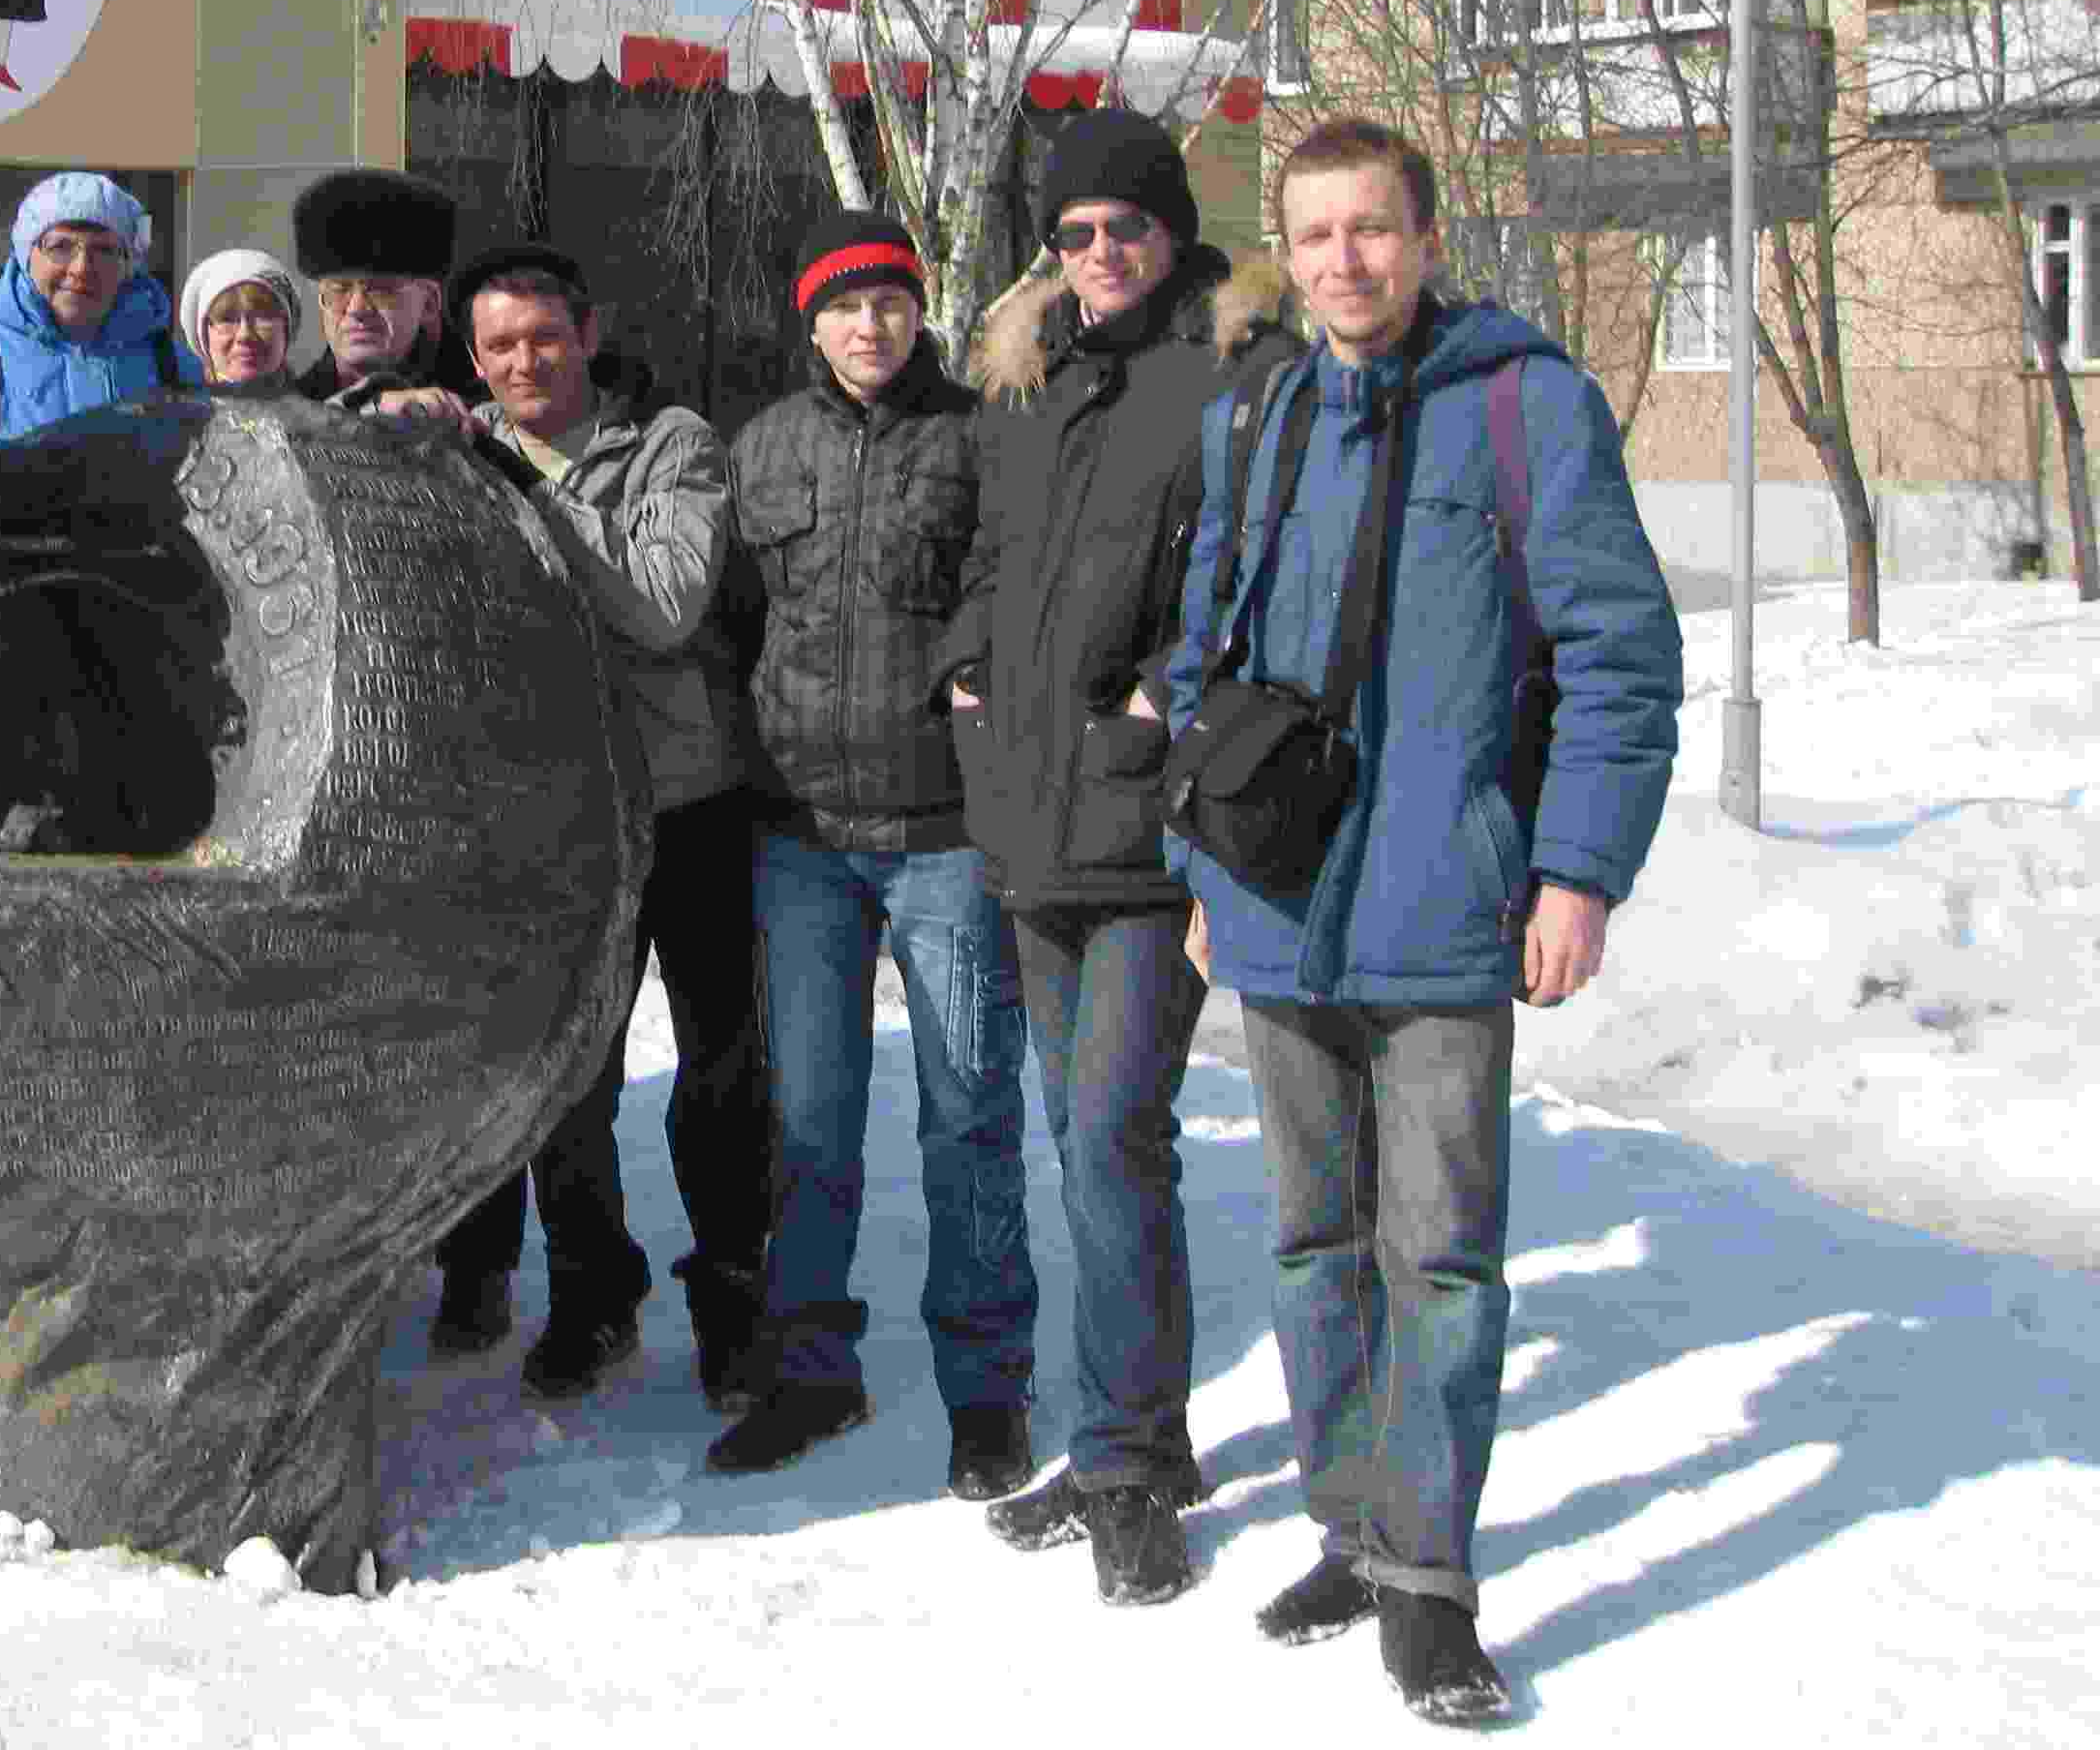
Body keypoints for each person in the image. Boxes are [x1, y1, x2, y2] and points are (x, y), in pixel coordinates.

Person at [1168, 118, 1677, 1725]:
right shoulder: (1252, 411)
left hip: (1447, 910)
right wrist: (1202, 876)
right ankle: (1348, 1526)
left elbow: (1618, 657)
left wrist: (1576, 872)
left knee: (1439, 1262)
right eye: (1312, 236)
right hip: (1273, 915)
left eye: (1369, 230)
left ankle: (1430, 1579)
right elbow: (1201, 661)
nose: (1341, 263)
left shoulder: (1525, 408)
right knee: (1312, 1247)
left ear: (1426, 234)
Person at [941, 104, 1293, 1606]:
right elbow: (984, 556)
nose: (1099, 255)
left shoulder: (1230, 371)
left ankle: (1132, 1464)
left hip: (1148, 830)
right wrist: (963, 657)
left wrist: (1169, 696)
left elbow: (1270, 571)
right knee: (1086, 1151)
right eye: (1075, 234)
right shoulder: (1027, 377)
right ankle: (1126, 1432)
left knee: (1112, 1143)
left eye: (1126, 228)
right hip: (1027, 822)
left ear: (1173, 228)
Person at [713, 213, 1035, 1488]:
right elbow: (732, 619)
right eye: (845, 306)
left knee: (968, 1114)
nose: (870, 326)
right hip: (800, 833)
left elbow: (1009, 595)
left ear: (919, 312)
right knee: (810, 1119)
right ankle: (808, 1372)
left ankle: (987, 1388)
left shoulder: (977, 441)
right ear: (811, 321)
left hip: (943, 833)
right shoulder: (766, 444)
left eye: (891, 302)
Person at [435, 241, 770, 1406]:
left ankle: (733, 1297)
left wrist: (528, 496)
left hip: (690, 801)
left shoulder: (670, 442)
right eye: (500, 345)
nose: (526, 360)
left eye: (544, 336)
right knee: (572, 1079)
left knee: (720, 1072)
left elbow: (666, 607)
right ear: (474, 359)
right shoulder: (461, 448)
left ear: (585, 333)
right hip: (563, 817)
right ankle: (592, 1293)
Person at [0, 172, 182, 437]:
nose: (81, 269)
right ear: (25, 256)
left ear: (128, 265)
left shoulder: (172, 365)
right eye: (60, 246)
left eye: (103, 250)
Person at [288, 168, 470, 426]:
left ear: (429, 302)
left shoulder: (482, 410)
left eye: (380, 289)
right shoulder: (291, 412)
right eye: (339, 289)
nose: (356, 309)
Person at [178, 247, 305, 394]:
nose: (244, 335)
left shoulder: (317, 414)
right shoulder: (179, 414)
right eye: (227, 320)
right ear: (203, 335)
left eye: (263, 317)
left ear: (287, 329)